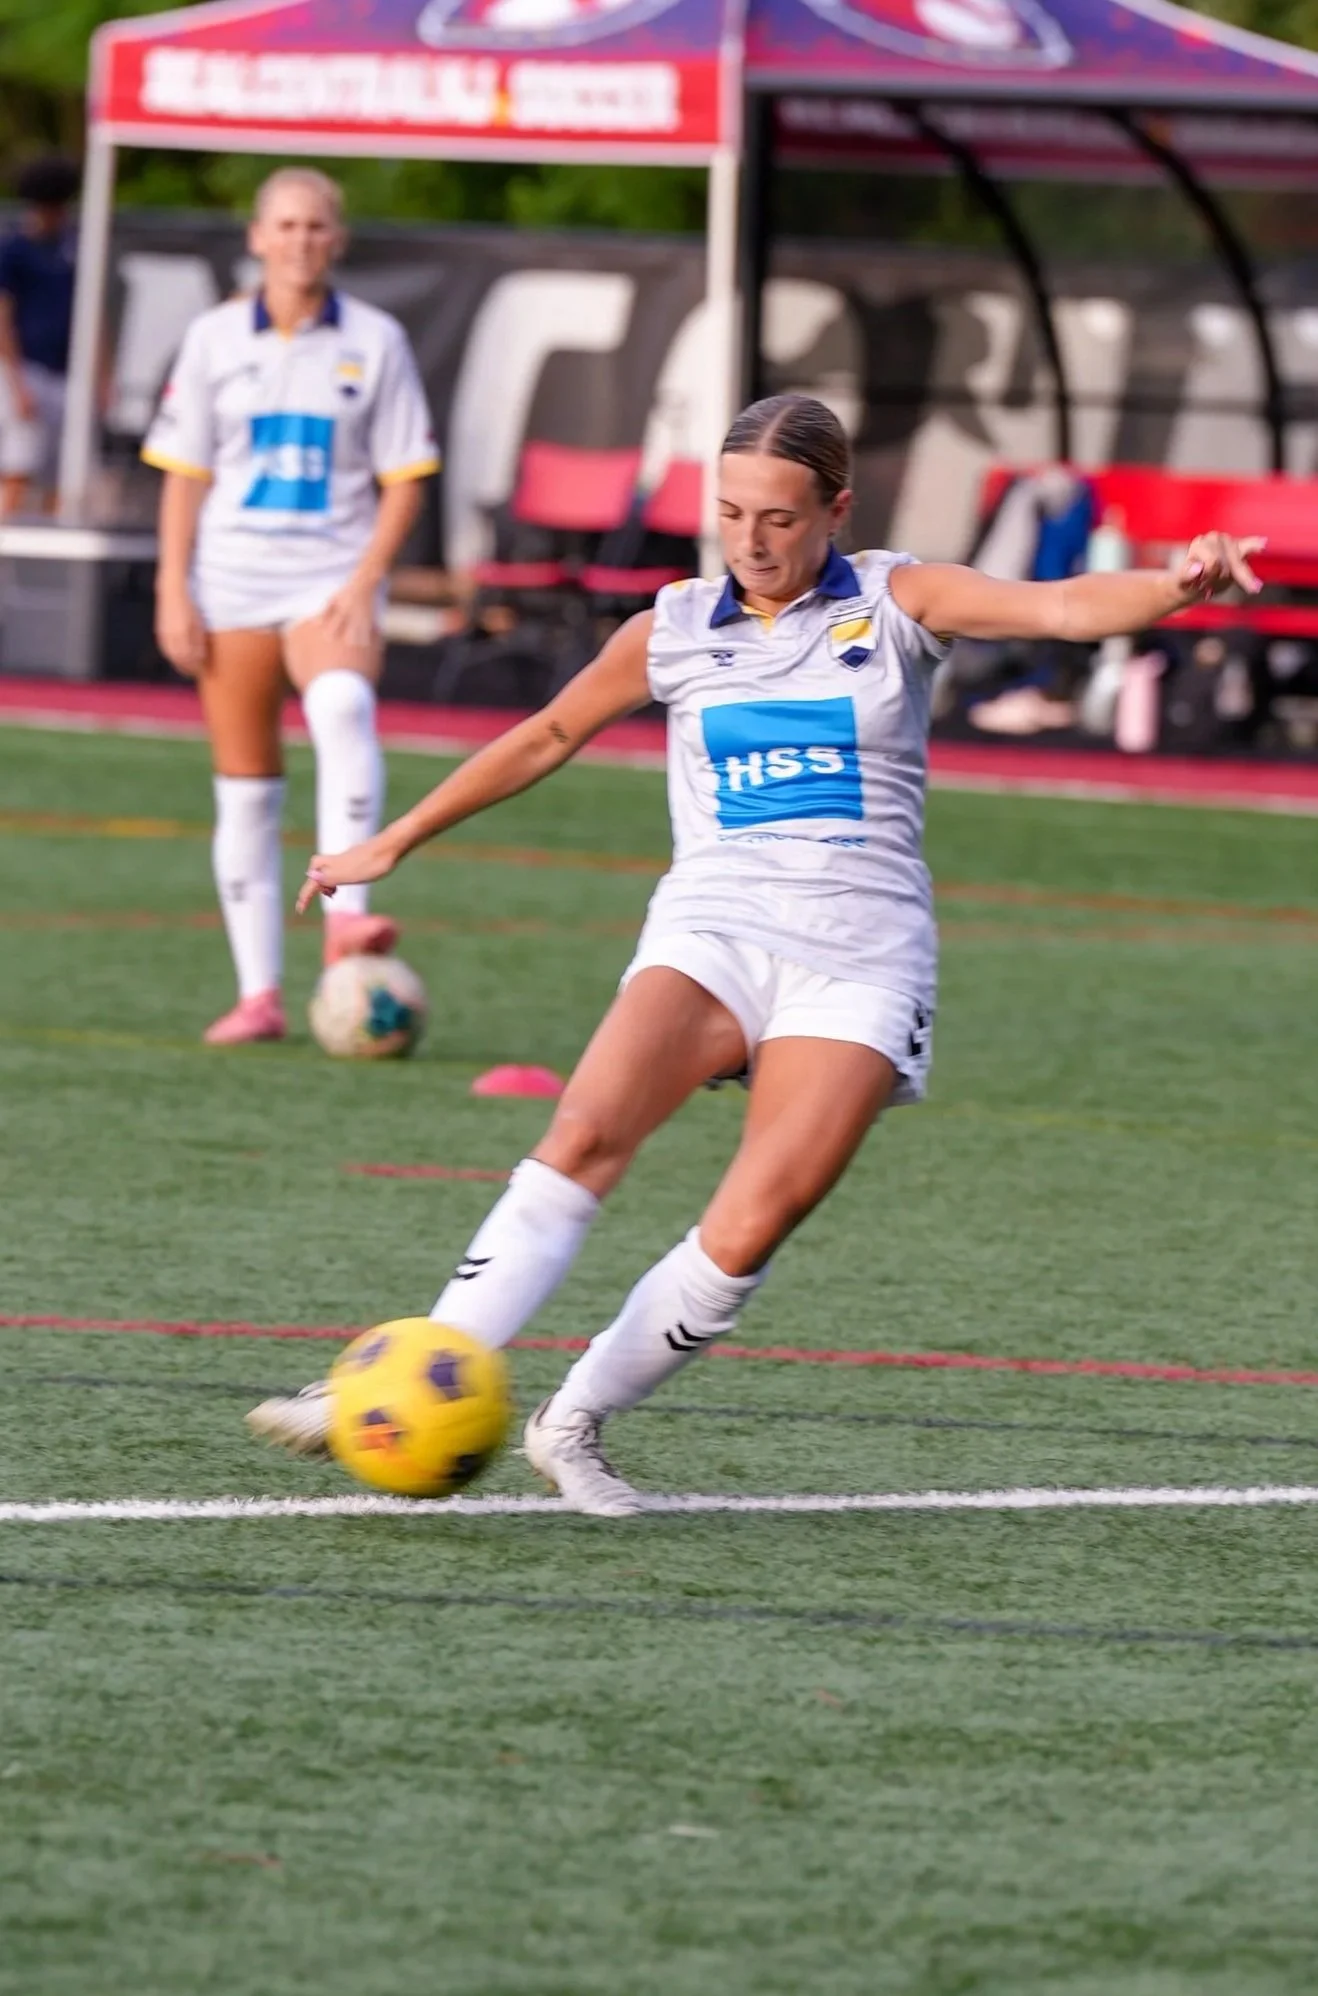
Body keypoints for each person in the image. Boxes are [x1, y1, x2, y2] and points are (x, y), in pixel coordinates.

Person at [246, 393, 1261, 1513]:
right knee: (583, 1131)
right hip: (714, 925)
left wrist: (1177, 582)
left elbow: (1063, 606)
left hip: (862, 957)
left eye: (777, 518)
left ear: (835, 508)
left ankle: (572, 1420)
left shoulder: (897, 596)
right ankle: (391, 1384)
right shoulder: (674, 625)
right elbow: (545, 733)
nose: (749, 540)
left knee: (752, 1219)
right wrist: (392, 839)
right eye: (728, 513)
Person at [142, 167, 440, 1044]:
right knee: (246, 795)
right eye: (287, 225)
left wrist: (365, 580)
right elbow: (185, 476)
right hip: (231, 581)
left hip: (329, 577)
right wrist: (173, 586)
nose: (302, 240)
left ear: (337, 240)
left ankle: (351, 916)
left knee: (343, 702)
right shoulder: (211, 340)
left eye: (317, 226)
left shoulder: (376, 340)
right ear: (257, 237)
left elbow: (404, 479)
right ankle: (260, 995)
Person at [0, 155, 81, 517]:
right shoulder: (15, 250)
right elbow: (3, 316)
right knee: (18, 466)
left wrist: (102, 375)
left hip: (67, 371)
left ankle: (48, 556)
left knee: (60, 474)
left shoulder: (71, 249)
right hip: (27, 368)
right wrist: (16, 382)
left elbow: (90, 309)